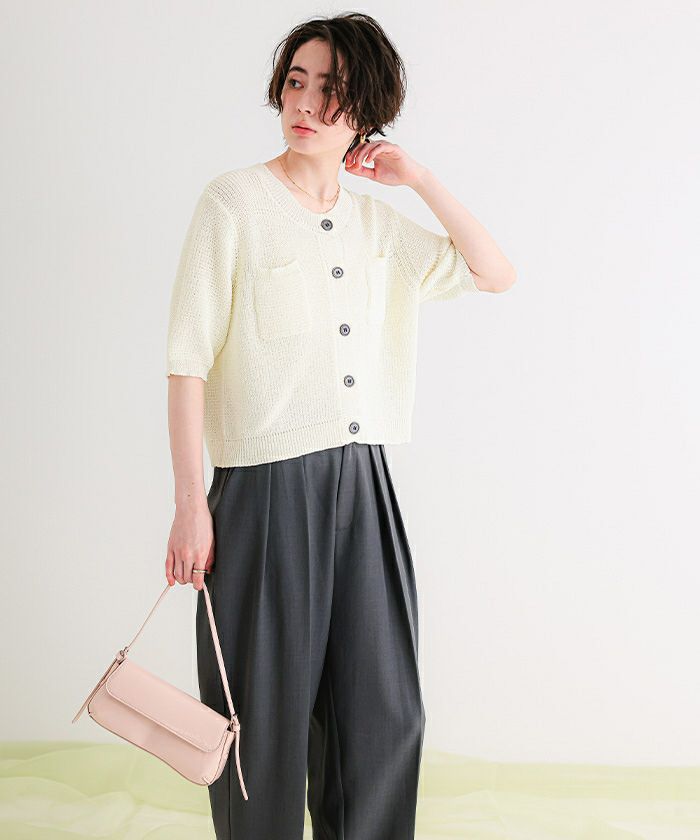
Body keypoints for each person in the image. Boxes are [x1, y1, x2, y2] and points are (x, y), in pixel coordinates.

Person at [164, 12, 516, 840]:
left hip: (365, 488)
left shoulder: (377, 227)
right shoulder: (233, 203)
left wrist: (417, 177)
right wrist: (190, 502)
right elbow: (187, 360)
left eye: (332, 90)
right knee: (261, 720)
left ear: (367, 109)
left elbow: (494, 272)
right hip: (262, 490)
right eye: (297, 81)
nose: (306, 103)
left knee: (382, 715)